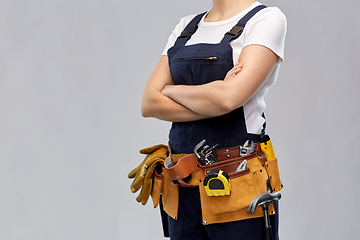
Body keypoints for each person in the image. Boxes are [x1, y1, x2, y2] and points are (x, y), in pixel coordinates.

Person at [141, 0, 287, 239]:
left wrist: (170, 90)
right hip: (182, 188)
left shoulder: (266, 19)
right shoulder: (186, 27)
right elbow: (148, 103)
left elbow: (228, 99)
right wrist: (216, 95)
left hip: (238, 187)